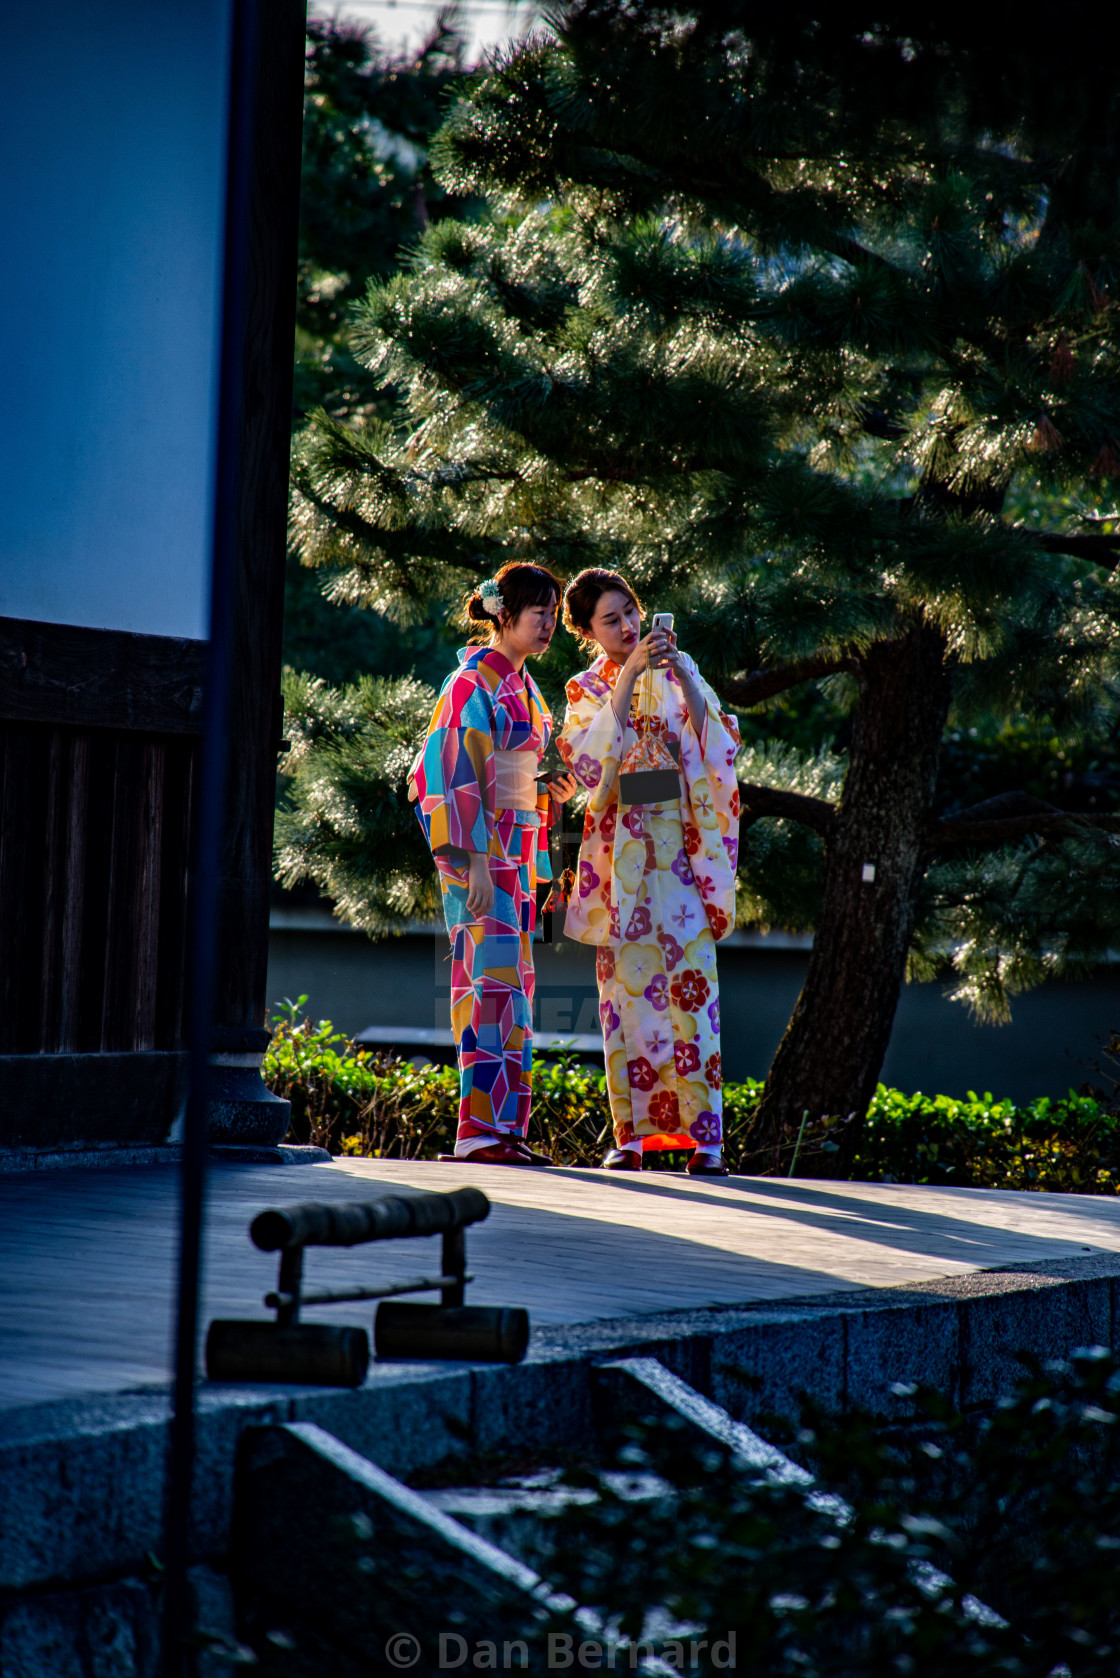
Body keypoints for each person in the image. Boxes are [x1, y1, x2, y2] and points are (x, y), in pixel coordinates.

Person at [558, 569, 740, 1175]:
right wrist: (629, 673)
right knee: (626, 996)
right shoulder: (584, 688)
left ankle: (706, 1139)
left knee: (694, 991)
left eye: (631, 611)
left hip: (679, 849)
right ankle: (630, 1138)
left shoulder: (677, 669)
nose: (629, 626)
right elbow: (587, 764)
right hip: (622, 857)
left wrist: (683, 674)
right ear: (585, 630)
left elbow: (720, 743)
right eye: (611, 620)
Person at [410, 562, 578, 1164]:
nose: (550, 623)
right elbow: (451, 773)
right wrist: (474, 861)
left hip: (514, 848)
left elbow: (520, 775)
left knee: (514, 989)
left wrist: (547, 792)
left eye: (555, 612)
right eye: (540, 611)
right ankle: (478, 1132)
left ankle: (505, 1131)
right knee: (488, 985)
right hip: (480, 854)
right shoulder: (471, 683)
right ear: (502, 613)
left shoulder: (527, 688)